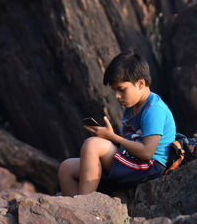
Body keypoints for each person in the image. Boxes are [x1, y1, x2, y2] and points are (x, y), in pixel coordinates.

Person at [58, 52, 176, 196]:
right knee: (66, 168)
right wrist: (108, 137)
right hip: (131, 160)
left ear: (140, 83)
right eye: (115, 90)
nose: (117, 96)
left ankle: (84, 207)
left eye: (121, 89)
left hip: (149, 166)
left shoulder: (154, 110)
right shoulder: (131, 107)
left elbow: (147, 152)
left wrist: (113, 137)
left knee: (92, 144)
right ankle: (75, 213)